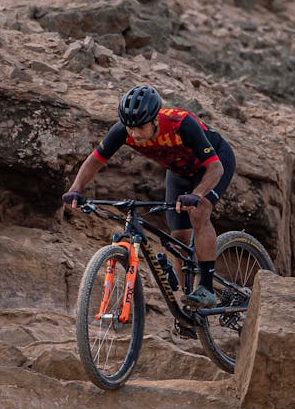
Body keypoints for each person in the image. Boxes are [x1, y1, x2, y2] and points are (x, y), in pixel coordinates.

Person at [62, 85, 236, 310]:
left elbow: (215, 168)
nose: (134, 134)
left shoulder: (181, 124)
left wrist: (197, 194)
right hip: (179, 172)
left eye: (140, 127)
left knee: (199, 212)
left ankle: (206, 287)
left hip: (214, 163)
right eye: (130, 127)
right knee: (179, 237)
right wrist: (76, 189)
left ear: (155, 120)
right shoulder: (124, 131)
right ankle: (188, 306)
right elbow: (95, 161)